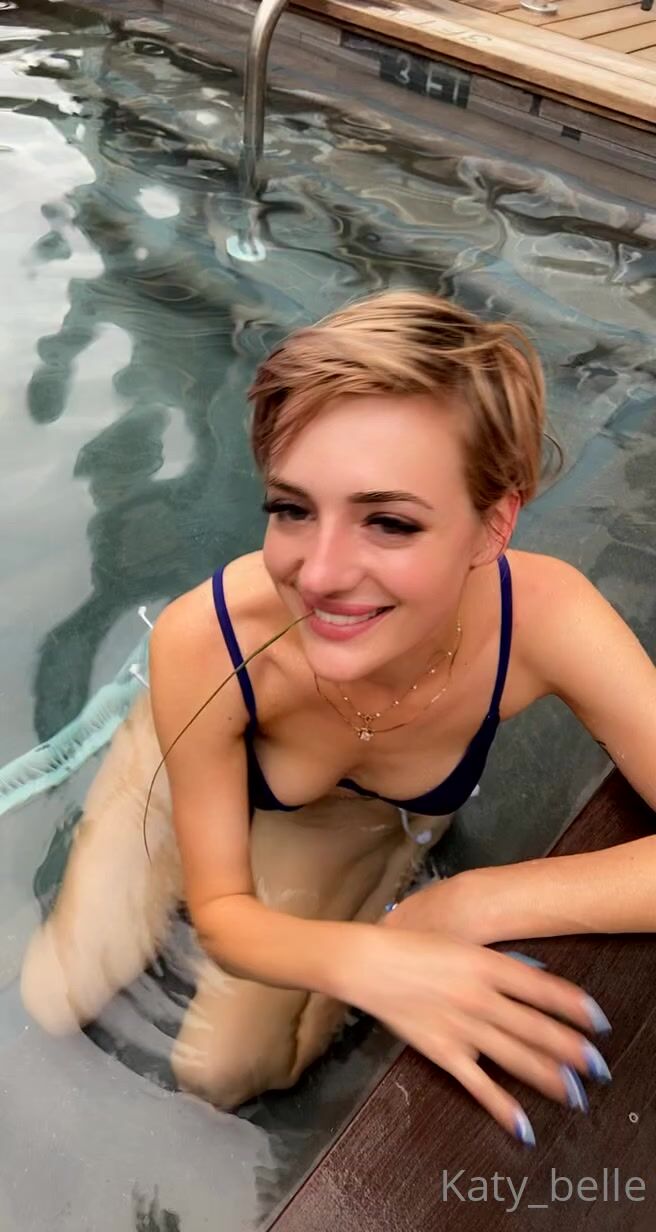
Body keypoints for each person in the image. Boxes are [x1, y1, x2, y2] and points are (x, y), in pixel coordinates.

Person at [21, 290, 656, 1149]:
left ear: (493, 524)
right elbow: (223, 909)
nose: (318, 575)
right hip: (189, 753)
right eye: (292, 508)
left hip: (353, 818)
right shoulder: (207, 641)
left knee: (223, 1070)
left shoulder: (546, 622)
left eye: (388, 521)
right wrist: (370, 958)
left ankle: (392, 854)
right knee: (51, 996)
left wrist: (462, 905)